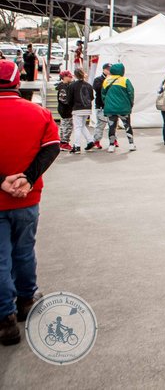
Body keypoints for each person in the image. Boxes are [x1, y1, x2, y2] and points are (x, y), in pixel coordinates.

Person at [0, 59, 60, 347]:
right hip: (28, 197)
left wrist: (2, 180)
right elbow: (52, 147)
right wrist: (28, 178)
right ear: (17, 81)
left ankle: (5, 318)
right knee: (24, 250)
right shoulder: (39, 113)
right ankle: (26, 299)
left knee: (0, 258)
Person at [102, 63, 135, 153]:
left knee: (112, 127)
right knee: (127, 125)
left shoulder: (107, 80)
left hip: (110, 109)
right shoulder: (125, 80)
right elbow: (131, 93)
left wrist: (107, 103)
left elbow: (103, 94)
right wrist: (130, 104)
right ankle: (131, 144)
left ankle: (111, 145)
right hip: (123, 108)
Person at [67, 68, 96, 154]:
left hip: (77, 108)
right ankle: (90, 141)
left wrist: (71, 106)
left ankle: (77, 146)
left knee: (77, 127)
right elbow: (91, 97)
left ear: (74, 75)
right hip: (87, 108)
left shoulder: (72, 85)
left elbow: (69, 99)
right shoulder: (88, 85)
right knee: (82, 125)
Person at [92, 63, 111, 150]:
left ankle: (113, 140)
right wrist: (107, 82)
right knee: (101, 125)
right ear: (104, 69)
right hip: (101, 106)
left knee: (113, 124)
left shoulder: (114, 79)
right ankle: (96, 141)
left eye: (110, 69)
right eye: (107, 69)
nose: (109, 71)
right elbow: (98, 89)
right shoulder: (98, 79)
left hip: (112, 105)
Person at [55, 71, 74, 151]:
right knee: (68, 126)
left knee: (64, 125)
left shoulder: (64, 86)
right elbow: (64, 100)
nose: (71, 78)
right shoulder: (63, 87)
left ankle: (62, 142)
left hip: (63, 109)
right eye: (69, 76)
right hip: (65, 109)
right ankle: (64, 143)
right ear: (64, 77)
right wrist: (72, 104)